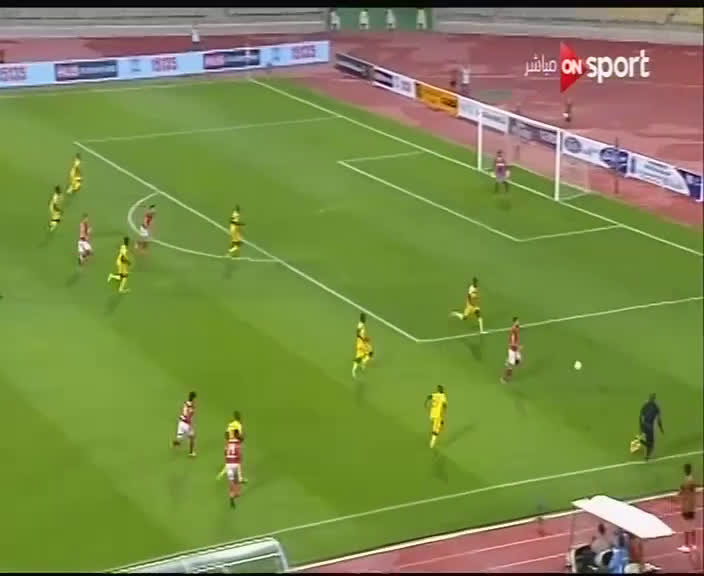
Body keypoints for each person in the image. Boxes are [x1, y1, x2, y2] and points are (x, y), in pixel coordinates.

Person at [678, 462, 697, 552]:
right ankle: (693, 544)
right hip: (692, 506)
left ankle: (686, 545)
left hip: (687, 507)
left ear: (685, 470)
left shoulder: (686, 481)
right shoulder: (692, 480)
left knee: (685, 526)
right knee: (692, 525)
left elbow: (682, 491)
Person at [639, 393, 663, 460]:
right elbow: (659, 420)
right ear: (654, 399)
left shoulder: (645, 405)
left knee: (649, 442)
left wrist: (640, 427)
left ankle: (646, 455)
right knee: (651, 444)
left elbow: (640, 416)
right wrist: (661, 428)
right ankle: (641, 442)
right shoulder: (656, 407)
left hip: (644, 424)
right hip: (649, 426)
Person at [352, 312, 373, 377]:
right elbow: (357, 333)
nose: (365, 319)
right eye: (364, 318)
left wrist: (365, 338)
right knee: (359, 356)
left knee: (370, 352)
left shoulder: (363, 324)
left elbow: (361, 334)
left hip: (363, 341)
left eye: (365, 318)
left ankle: (363, 363)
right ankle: (353, 370)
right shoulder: (360, 325)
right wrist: (363, 339)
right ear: (362, 318)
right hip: (360, 343)